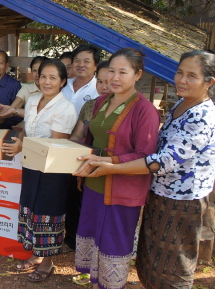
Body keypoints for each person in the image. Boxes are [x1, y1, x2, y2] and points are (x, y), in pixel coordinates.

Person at [76, 50, 215, 289]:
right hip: (158, 192)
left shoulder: (201, 114)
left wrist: (111, 166)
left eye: (191, 75)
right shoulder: (182, 104)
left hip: (182, 198)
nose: (181, 80)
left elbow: (162, 159)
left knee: (175, 264)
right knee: (152, 259)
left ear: (209, 82)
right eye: (179, 72)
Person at [71, 48, 160, 289]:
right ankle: (95, 282)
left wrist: (110, 165)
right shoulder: (101, 101)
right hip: (94, 183)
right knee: (92, 236)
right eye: (111, 71)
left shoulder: (145, 110)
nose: (115, 77)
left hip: (122, 189)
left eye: (123, 71)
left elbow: (146, 156)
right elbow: (90, 140)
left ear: (137, 74)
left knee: (113, 242)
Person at [1, 59, 77, 282]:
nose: (47, 81)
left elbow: (56, 146)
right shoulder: (34, 101)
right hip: (31, 166)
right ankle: (36, 254)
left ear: (63, 81)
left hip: (52, 173)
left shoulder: (65, 108)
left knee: (48, 213)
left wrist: (22, 146)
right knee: (32, 210)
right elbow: (27, 129)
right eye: (44, 76)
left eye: (53, 77)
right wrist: (20, 142)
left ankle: (48, 262)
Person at [62, 44, 101, 253]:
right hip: (59, 147)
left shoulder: (100, 89)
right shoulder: (62, 84)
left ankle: (79, 242)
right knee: (65, 194)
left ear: (95, 66)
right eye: (77, 60)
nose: (81, 64)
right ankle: (67, 237)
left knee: (80, 198)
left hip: (84, 151)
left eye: (87, 61)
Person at [70, 61, 111, 142]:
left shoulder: (126, 107)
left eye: (108, 82)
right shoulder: (90, 105)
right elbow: (77, 135)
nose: (103, 87)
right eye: (100, 82)